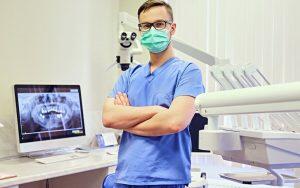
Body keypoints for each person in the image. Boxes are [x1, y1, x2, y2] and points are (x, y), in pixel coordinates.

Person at [102, 0, 205, 187]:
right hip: (125, 177)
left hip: (166, 179)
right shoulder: (130, 75)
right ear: (140, 30)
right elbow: (109, 118)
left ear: (172, 28)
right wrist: (158, 110)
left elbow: (174, 122)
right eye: (146, 26)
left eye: (159, 24)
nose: (152, 30)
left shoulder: (188, 72)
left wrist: (128, 120)